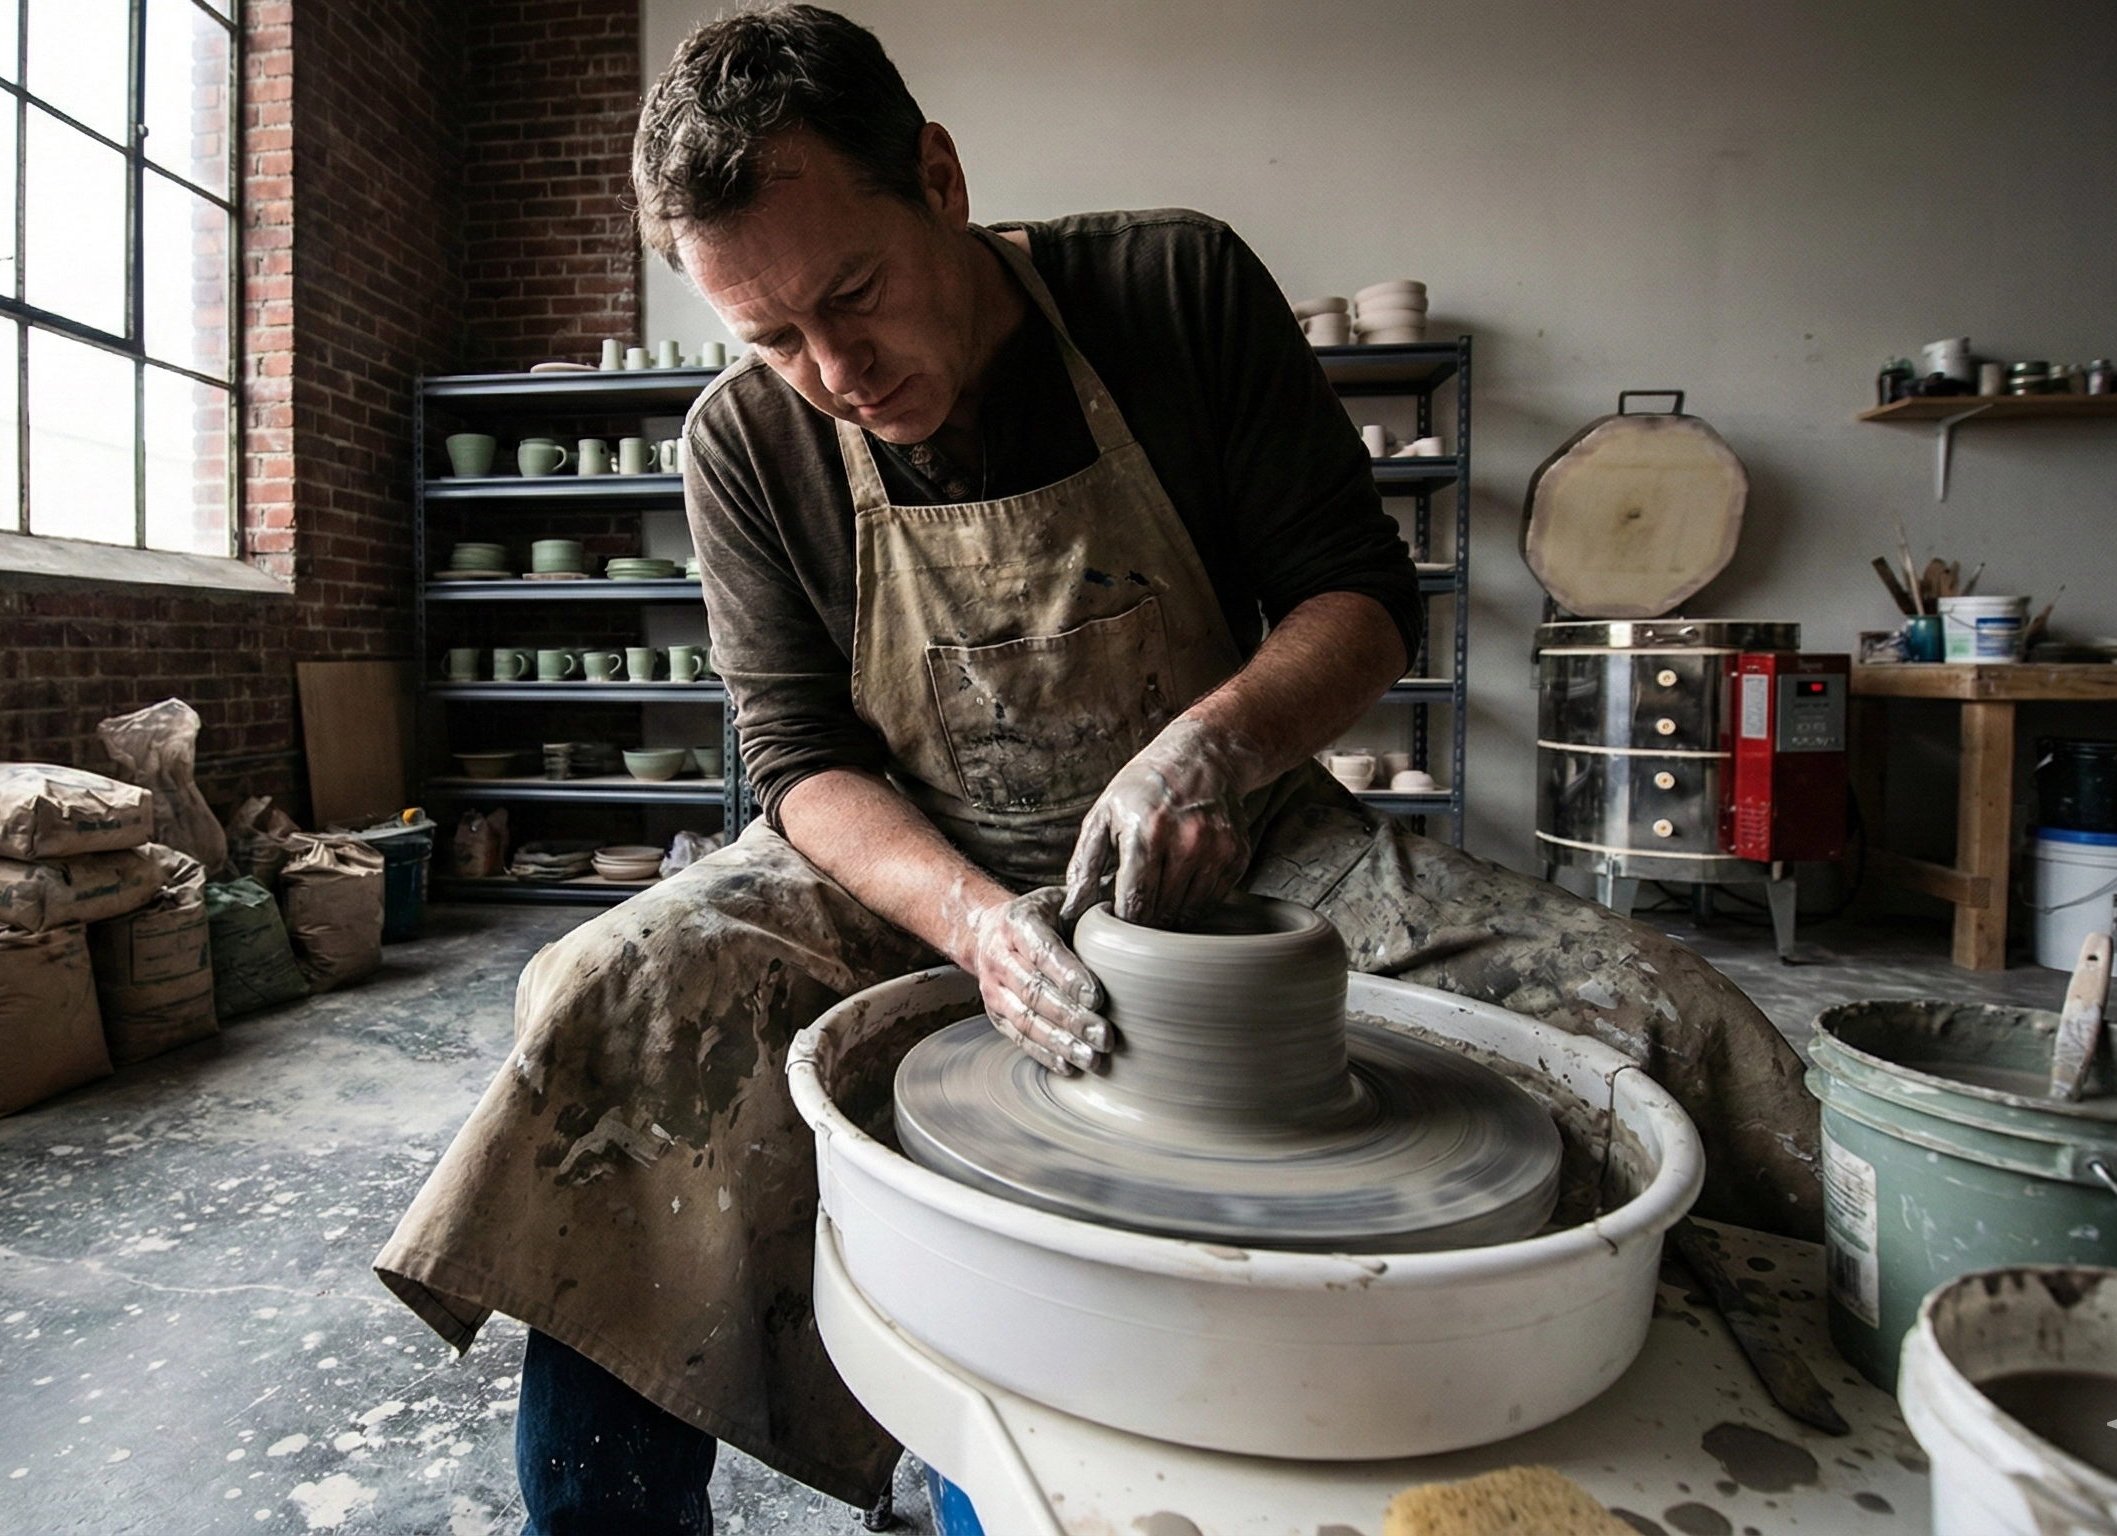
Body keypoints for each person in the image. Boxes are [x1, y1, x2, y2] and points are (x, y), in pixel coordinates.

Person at [377, 8, 1822, 1532]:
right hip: (914, 861)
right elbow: (796, 763)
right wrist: (976, 923)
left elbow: (1359, 595)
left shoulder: (1171, 289)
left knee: (1672, 1024)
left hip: (1250, 834)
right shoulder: (747, 440)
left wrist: (1210, 744)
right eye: (773, 339)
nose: (835, 370)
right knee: (615, 1000)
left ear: (937, 176)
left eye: (852, 298)